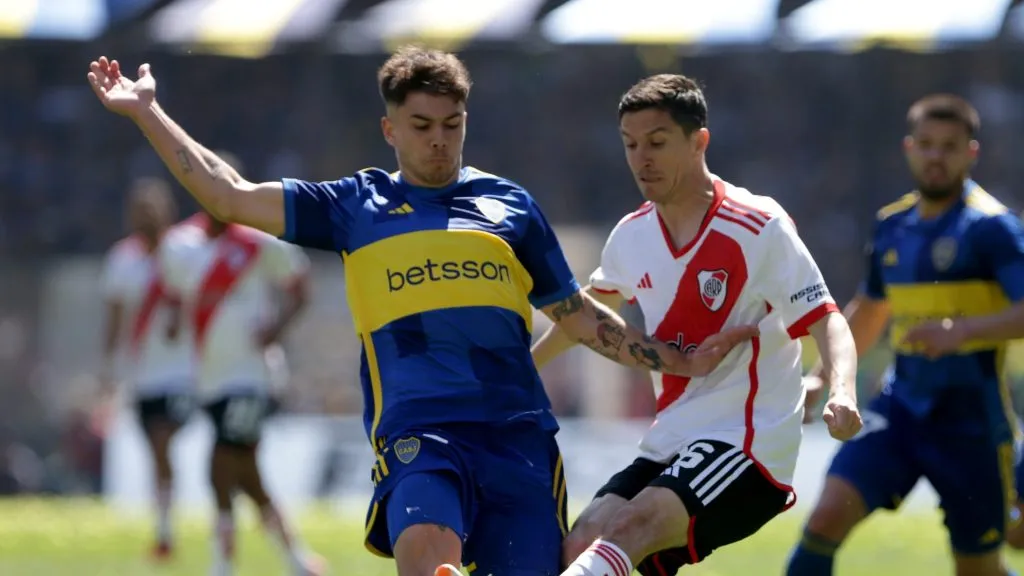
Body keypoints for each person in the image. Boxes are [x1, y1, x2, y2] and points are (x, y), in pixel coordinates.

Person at [86, 48, 757, 576]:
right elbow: (227, 196)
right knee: (428, 560)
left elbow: (576, 314)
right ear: (390, 129)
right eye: (422, 127)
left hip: (518, 439)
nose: (440, 141)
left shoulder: (510, 207)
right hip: (421, 433)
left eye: (452, 126)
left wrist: (671, 358)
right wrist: (147, 111)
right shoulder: (354, 205)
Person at [530, 73, 863, 576]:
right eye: (630, 145)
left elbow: (826, 319)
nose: (642, 158)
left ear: (698, 141)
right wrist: (522, 368)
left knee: (631, 526)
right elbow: (582, 318)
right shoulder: (631, 235)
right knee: (582, 542)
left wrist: (843, 391)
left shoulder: (758, 226)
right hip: (673, 438)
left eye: (658, 143)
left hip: (748, 444)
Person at [789, 94, 1024, 576]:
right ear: (908, 148)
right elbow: (870, 312)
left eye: (949, 146)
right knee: (826, 516)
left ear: (970, 152)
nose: (936, 157)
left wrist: (963, 332)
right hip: (898, 410)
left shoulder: (992, 229)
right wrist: (821, 377)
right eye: (926, 145)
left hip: (971, 425)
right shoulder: (892, 225)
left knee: (978, 567)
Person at [158, 206, 318, 576]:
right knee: (247, 476)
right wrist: (172, 323)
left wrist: (276, 330)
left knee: (219, 467)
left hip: (252, 379)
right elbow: (172, 294)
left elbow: (300, 287)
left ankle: (223, 565)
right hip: (207, 379)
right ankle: (298, 561)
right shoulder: (181, 245)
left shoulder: (257, 243)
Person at [99, 177, 192, 560]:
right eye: (138, 212)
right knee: (155, 452)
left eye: (151, 210)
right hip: (143, 374)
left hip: (185, 372)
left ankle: (167, 529)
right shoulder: (122, 260)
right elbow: (115, 317)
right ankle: (165, 525)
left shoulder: (186, 251)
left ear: (166, 213)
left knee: (161, 441)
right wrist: (107, 368)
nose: (144, 217)